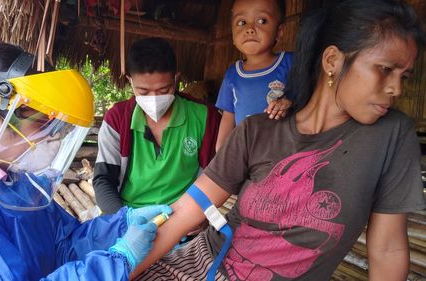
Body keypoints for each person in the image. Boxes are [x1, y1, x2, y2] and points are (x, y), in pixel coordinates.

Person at [132, 0, 426, 280]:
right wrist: (121, 268)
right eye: (386, 69)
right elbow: (186, 211)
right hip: (198, 264)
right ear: (333, 60)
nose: (396, 89)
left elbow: (389, 248)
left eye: (405, 76)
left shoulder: (392, 135)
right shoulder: (257, 130)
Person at [0, 43, 172, 281]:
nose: (51, 137)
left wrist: (122, 224)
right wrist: (118, 260)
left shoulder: (14, 181)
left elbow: (63, 244)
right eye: (42, 124)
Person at [93, 37, 220, 214]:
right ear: (130, 81)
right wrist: (124, 221)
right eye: (143, 91)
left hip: (183, 217)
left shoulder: (205, 117)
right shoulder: (117, 119)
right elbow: (103, 179)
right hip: (128, 214)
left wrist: (196, 215)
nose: (153, 99)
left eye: (163, 91)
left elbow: (216, 177)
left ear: (176, 79)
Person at [215, 0, 293, 150]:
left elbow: (311, 95)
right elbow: (228, 118)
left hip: (284, 152)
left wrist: (289, 101)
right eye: (241, 22)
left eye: (262, 21)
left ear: (280, 31)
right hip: (246, 153)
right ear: (232, 34)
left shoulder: (290, 62)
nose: (249, 29)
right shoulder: (233, 74)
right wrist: (221, 156)